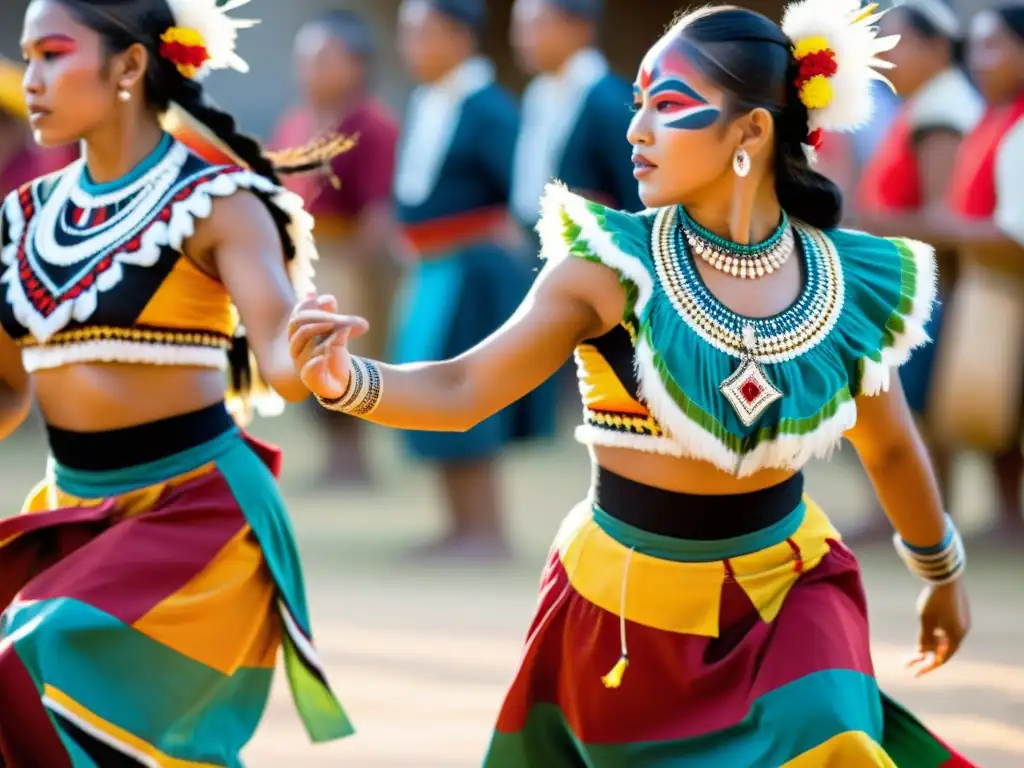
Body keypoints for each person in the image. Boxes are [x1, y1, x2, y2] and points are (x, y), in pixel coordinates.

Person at [289, 2, 975, 765]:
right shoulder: (603, 268)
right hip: (623, 612)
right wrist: (349, 379)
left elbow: (888, 448)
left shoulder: (839, 280)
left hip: (790, 594)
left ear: (751, 132)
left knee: (832, 739)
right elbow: (463, 390)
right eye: (639, 102)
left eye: (670, 106)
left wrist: (940, 572)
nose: (636, 129)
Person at [0, 0, 352, 762]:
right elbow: (7, 389)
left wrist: (319, 364)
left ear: (129, 66)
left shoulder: (219, 205)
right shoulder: (20, 217)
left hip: (195, 517)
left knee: (28, 662)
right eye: (27, 57)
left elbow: (282, 363)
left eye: (52, 54)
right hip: (69, 515)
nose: (31, 79)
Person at [391, 0, 554, 560]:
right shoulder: (426, 102)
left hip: (474, 272)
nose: (410, 47)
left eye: (422, 34)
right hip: (433, 269)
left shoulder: (489, 109)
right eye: (407, 35)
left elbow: (524, 190)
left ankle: (486, 529)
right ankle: (457, 524)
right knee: (427, 386)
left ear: (461, 38)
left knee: (468, 390)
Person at [845, 0, 984, 541]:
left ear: (938, 47)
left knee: (914, 408)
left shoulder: (942, 111)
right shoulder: (927, 103)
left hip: (927, 287)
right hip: (913, 284)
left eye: (898, 45)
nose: (889, 58)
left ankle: (919, 513)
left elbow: (941, 215)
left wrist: (862, 221)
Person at [271, 11, 402, 487]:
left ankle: (353, 458)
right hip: (302, 260)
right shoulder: (295, 123)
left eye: (324, 58)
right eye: (305, 59)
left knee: (347, 353)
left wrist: (366, 269)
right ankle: (334, 458)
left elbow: (377, 208)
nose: (310, 69)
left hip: (346, 258)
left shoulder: (372, 125)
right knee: (305, 355)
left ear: (356, 65)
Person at [926, 4, 1024, 542]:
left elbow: (1014, 233)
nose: (981, 61)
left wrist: (947, 228)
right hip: (993, 290)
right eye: (978, 47)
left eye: (995, 46)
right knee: (999, 413)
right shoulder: (995, 118)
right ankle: (1009, 518)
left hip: (1009, 286)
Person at [509, 0, 641, 240]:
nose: (522, 39)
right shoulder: (538, 96)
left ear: (580, 27)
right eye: (519, 27)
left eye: (537, 25)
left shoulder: (609, 102)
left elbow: (635, 194)